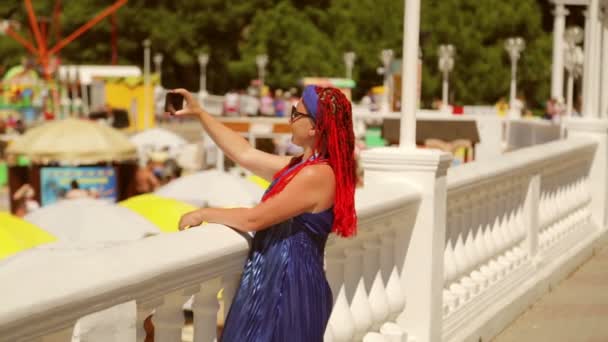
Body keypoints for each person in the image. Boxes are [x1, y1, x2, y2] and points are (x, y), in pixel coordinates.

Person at [167, 85, 357, 341]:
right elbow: (244, 153)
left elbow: (254, 219)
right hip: (279, 280)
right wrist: (201, 114)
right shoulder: (303, 167)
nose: (289, 120)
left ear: (313, 127)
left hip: (290, 287)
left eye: (295, 113)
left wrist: (204, 213)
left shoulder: (316, 174)